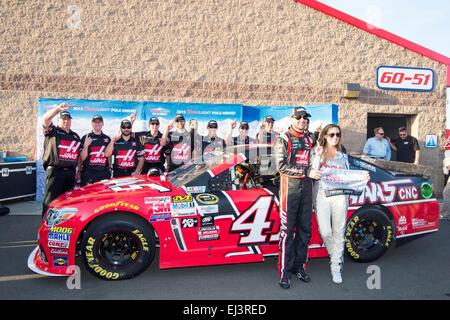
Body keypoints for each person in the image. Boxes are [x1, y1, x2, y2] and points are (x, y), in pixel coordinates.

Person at [312, 124, 368, 284]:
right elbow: (313, 172)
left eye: (337, 134)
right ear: (324, 136)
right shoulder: (318, 152)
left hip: (340, 197)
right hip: (322, 196)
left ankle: (335, 267)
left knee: (339, 232)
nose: (335, 137)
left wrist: (362, 179)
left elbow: (348, 177)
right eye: (331, 135)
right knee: (325, 232)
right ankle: (335, 256)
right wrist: (317, 156)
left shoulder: (342, 156)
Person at [274, 107, 322, 289]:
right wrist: (307, 171)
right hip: (290, 192)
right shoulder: (283, 139)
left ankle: (299, 266)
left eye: (305, 118)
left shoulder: (310, 138)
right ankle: (284, 273)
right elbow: (281, 167)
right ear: (292, 119)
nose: (302, 120)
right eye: (299, 117)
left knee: (305, 231)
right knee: (287, 234)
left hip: (307, 191)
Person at [41, 103, 81, 217]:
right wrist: (58, 109)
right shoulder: (53, 131)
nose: (66, 122)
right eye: (63, 119)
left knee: (67, 202)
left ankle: (61, 227)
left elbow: (78, 155)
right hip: (55, 172)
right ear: (58, 120)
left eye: (68, 119)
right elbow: (45, 118)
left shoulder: (75, 136)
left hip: (70, 173)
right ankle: (45, 229)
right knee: (50, 202)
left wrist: (78, 171)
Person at [79, 115, 112, 186]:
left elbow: (109, 156)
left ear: (103, 124)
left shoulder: (107, 139)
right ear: (91, 123)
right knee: (87, 195)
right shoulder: (86, 137)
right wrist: (85, 147)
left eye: (99, 122)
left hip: (104, 173)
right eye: (95, 122)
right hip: (89, 173)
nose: (97, 124)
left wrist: (109, 168)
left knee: (103, 196)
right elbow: (82, 158)